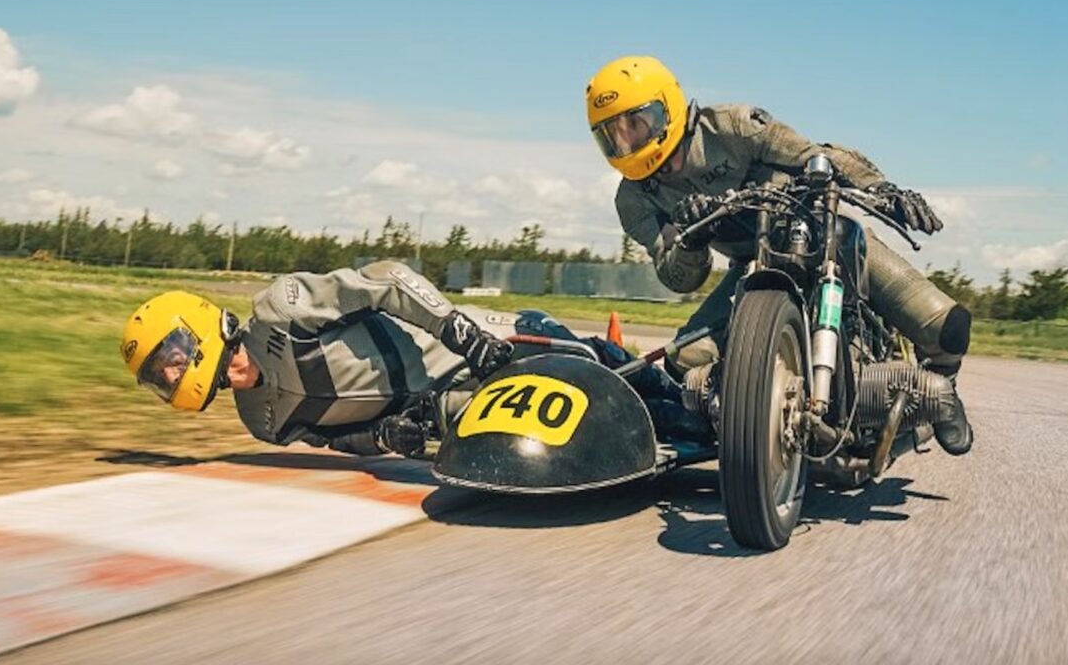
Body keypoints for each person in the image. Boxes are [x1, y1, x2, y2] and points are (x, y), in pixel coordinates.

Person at [585, 55, 973, 455]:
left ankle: (942, 393)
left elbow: (813, 155)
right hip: (754, 265)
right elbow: (678, 277)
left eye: (635, 123)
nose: (626, 140)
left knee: (948, 327)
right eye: (612, 133)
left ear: (666, 108)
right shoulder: (634, 198)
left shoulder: (731, 126)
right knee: (685, 360)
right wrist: (692, 242)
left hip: (826, 237)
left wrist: (883, 188)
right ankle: (747, 409)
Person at [120, 260, 704, 458]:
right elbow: (330, 440)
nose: (171, 376)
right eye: (160, 377)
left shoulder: (282, 309)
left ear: (193, 326)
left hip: (475, 343)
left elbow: (387, 280)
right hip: (442, 405)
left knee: (590, 362)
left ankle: (703, 400)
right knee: (577, 415)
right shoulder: (262, 423)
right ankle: (684, 424)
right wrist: (384, 438)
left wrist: (457, 328)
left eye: (169, 359)